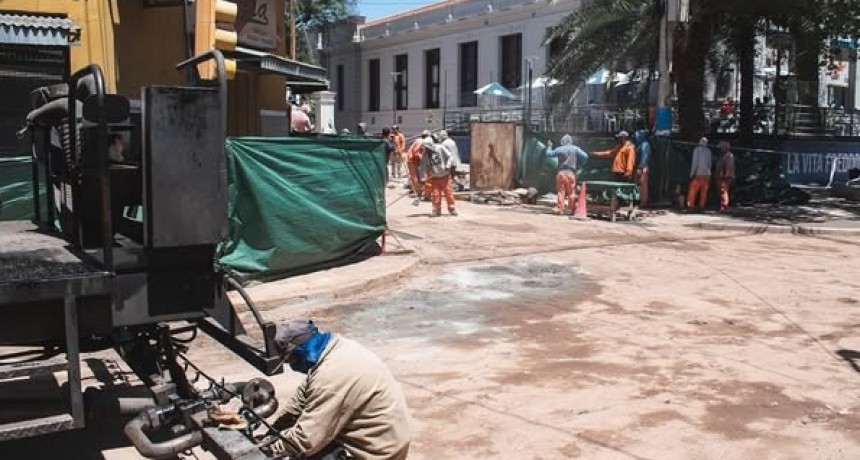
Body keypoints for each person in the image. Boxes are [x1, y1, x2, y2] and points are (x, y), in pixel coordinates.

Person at [270, 320, 411, 460]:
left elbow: (306, 439)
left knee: (300, 453)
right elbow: (300, 398)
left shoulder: (331, 376)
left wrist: (269, 449)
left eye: (290, 360)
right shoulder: (335, 347)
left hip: (378, 452)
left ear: (300, 352)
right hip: (385, 434)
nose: (292, 366)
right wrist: (274, 430)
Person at [545, 134, 589, 215]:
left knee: (561, 191)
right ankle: (571, 209)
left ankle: (560, 209)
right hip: (571, 173)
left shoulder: (560, 149)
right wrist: (580, 164)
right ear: (571, 141)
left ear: (563, 141)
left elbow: (549, 154)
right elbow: (585, 156)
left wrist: (549, 146)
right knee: (571, 192)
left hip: (561, 173)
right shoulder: (575, 149)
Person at [419, 137, 457, 217]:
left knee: (448, 193)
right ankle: (436, 209)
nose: (426, 149)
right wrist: (422, 178)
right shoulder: (426, 155)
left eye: (426, 147)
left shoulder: (440, 148)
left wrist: (448, 165)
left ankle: (452, 208)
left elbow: (450, 157)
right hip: (435, 177)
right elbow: (422, 166)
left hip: (445, 176)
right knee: (435, 194)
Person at [687, 137, 712, 212]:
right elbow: (709, 163)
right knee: (704, 191)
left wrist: (692, 173)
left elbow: (695, 163)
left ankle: (690, 205)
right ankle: (702, 206)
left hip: (698, 173)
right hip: (707, 174)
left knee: (693, 190)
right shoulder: (709, 151)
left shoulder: (697, 150)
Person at [407, 129, 431, 204]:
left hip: (416, 160)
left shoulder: (421, 141)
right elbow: (416, 153)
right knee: (415, 177)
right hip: (412, 160)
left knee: (420, 177)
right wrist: (424, 160)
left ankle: (420, 192)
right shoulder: (420, 142)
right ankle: (418, 193)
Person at [714, 140, 735, 212]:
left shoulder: (728, 155)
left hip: (724, 177)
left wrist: (726, 175)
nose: (720, 149)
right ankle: (723, 205)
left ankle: (724, 205)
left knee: (723, 191)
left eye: (721, 147)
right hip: (721, 176)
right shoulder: (722, 155)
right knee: (722, 191)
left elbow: (728, 166)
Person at [634, 130, 651, 206]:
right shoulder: (641, 145)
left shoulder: (645, 145)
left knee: (643, 184)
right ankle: (640, 200)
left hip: (643, 167)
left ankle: (643, 201)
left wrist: (641, 167)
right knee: (640, 185)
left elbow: (645, 157)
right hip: (641, 167)